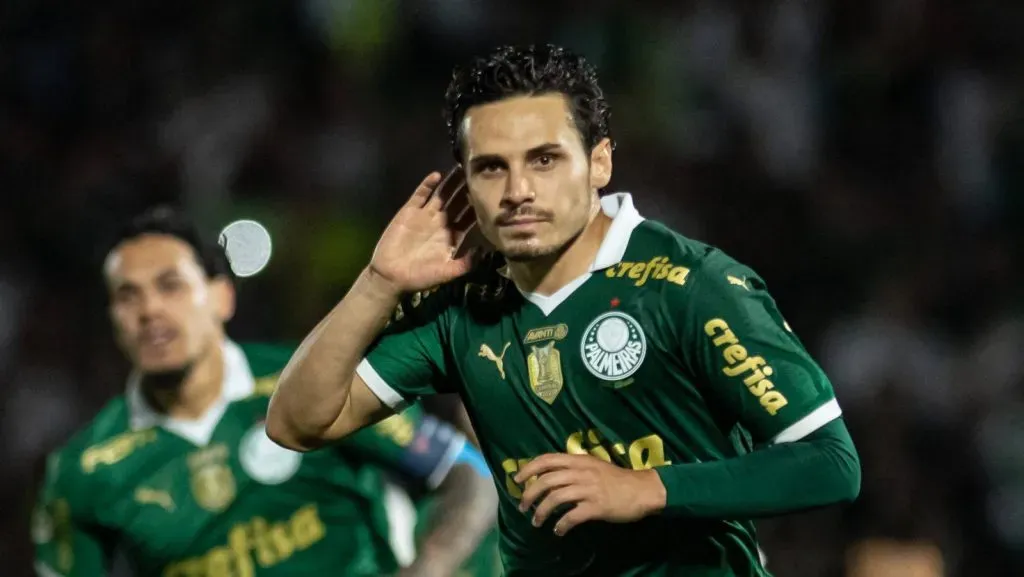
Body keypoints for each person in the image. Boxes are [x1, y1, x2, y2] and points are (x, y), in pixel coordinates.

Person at [266, 43, 861, 576]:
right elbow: (297, 422)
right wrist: (378, 283)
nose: (517, 190)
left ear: (599, 162)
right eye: (491, 166)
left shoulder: (692, 284)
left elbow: (831, 462)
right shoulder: (460, 307)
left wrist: (648, 487)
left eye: (544, 160)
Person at [31, 207, 500, 577]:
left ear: (222, 297)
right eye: (127, 296)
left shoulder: (307, 386)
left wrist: (428, 569)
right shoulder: (85, 471)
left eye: (170, 286)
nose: (149, 309)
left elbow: (469, 471)